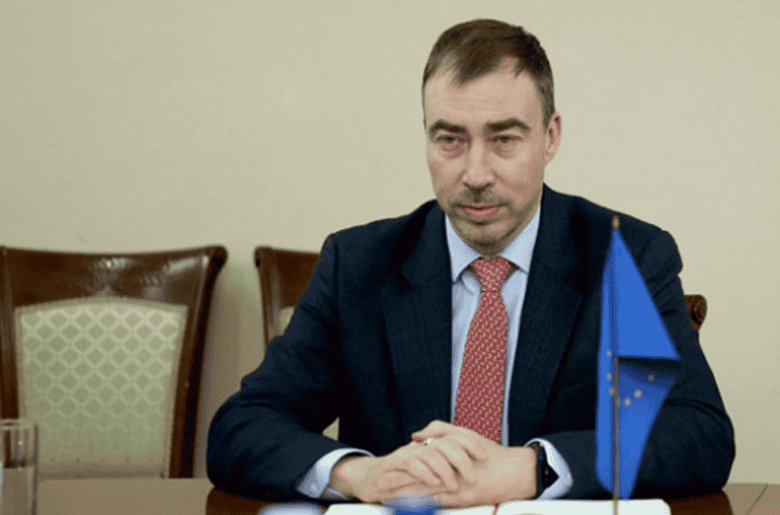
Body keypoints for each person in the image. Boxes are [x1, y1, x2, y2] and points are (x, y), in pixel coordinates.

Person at [207, 19, 734, 506]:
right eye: (450, 140)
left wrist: (533, 469)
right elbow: (243, 426)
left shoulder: (625, 257)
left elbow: (698, 432)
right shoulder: (359, 265)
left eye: (504, 139)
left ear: (550, 137)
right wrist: (361, 474)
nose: (476, 173)